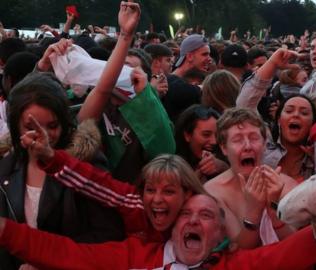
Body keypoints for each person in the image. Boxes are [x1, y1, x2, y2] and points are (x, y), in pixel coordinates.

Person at [0, 193, 316, 270]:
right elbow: (63, 254)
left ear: (219, 236)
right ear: (172, 228)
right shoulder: (133, 257)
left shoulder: (239, 265)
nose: (194, 220)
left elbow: (304, 247)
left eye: (206, 215)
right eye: (185, 214)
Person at [19, 108, 206, 242]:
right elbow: (91, 181)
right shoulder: (135, 203)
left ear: (187, 193)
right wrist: (50, 157)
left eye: (168, 191)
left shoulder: (206, 219)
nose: (157, 199)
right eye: (150, 189)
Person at [37, 2, 175, 182]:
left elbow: (165, 152)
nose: (118, 74)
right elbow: (29, 106)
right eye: (116, 67)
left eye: (128, 70)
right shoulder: (79, 102)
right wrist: (43, 68)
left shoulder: (152, 110)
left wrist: (146, 98)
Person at [0, 72, 125, 269]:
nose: (44, 136)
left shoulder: (86, 166)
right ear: (16, 127)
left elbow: (108, 235)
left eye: (52, 126)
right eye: (31, 127)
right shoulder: (5, 167)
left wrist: (50, 262)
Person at [205, 107, 298, 249]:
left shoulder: (288, 186)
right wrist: (254, 211)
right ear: (224, 148)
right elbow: (238, 250)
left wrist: (273, 212)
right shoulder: (213, 193)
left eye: (254, 138)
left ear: (264, 143)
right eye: (237, 140)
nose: (247, 146)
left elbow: (298, 246)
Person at [239, 48, 316, 181]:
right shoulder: (262, 148)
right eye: (289, 110)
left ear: (313, 123)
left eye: (304, 113)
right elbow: (244, 106)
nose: (296, 115)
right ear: (279, 119)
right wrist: (272, 63)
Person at [175, 105, 228, 182]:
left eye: (217, 135)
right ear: (187, 135)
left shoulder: (228, 159)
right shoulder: (173, 169)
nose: (214, 141)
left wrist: (224, 168)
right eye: (206, 135)